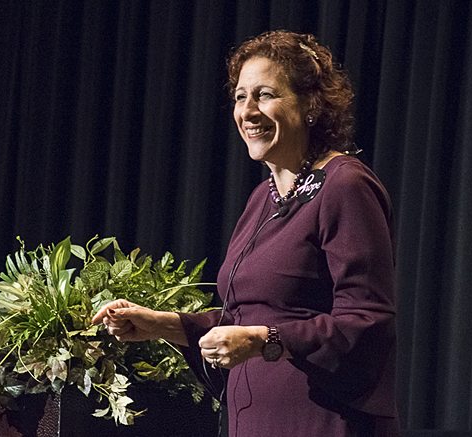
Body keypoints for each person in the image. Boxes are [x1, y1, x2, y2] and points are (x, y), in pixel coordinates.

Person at [91, 30, 398, 436]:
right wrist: (162, 325)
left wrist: (264, 341)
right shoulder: (262, 198)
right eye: (240, 97)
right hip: (253, 420)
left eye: (266, 94)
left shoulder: (345, 185)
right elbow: (246, 319)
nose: (248, 111)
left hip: (322, 421)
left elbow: (367, 321)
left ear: (310, 104)